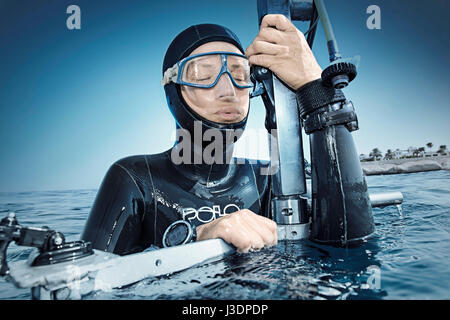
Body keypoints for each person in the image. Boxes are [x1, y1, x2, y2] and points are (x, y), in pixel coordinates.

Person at [81, 14, 331, 254]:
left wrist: (317, 93)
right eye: (203, 75)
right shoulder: (136, 179)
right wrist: (194, 238)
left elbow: (346, 247)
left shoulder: (268, 180)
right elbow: (87, 283)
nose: (228, 91)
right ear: (173, 90)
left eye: (239, 74)